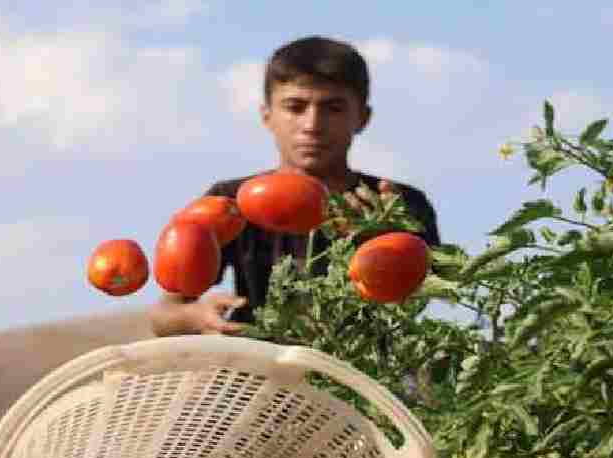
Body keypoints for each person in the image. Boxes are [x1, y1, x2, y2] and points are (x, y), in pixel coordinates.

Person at [148, 35, 443, 337]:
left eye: (333, 108)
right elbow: (164, 314)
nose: (312, 124)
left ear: (363, 117)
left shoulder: (399, 205)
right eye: (295, 107)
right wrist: (195, 317)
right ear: (267, 116)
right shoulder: (229, 202)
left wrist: (383, 245)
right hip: (261, 379)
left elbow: (418, 304)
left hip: (360, 378)